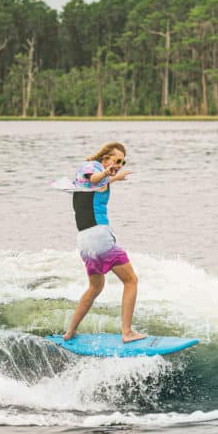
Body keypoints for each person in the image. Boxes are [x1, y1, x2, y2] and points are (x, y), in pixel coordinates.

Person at [62, 142, 146, 343]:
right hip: (99, 236)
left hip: (84, 241)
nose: (120, 164)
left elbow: (95, 184)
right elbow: (96, 178)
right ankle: (127, 332)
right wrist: (108, 173)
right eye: (117, 160)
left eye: (123, 161)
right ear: (106, 158)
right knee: (131, 281)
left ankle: (70, 332)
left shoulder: (87, 177)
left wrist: (114, 176)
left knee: (95, 287)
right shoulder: (94, 170)